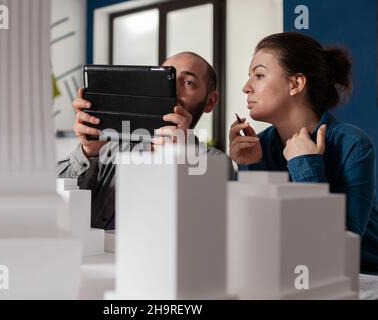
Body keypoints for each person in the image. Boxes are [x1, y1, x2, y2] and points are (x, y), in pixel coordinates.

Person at [229, 32, 378, 274]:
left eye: (259, 75)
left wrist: (305, 166)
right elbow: (252, 238)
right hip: (288, 274)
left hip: (361, 276)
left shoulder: (353, 145)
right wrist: (250, 166)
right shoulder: (260, 145)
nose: (246, 87)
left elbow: (336, 252)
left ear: (296, 84)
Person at [58, 52, 233, 230]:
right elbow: (55, 204)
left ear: (210, 102)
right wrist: (88, 152)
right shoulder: (112, 149)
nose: (174, 90)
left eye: (188, 82)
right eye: (166, 79)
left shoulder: (215, 163)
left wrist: (181, 159)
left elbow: (206, 227)